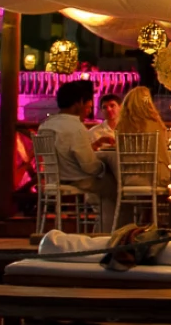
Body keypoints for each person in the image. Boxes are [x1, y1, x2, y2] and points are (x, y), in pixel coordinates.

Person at [36, 79, 116, 228]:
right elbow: (89, 167)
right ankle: (109, 231)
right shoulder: (75, 127)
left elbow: (65, 150)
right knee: (115, 187)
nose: (88, 111)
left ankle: (100, 228)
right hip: (76, 179)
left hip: (54, 178)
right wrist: (104, 167)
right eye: (88, 107)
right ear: (79, 102)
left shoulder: (45, 125)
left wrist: (92, 146)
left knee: (102, 187)